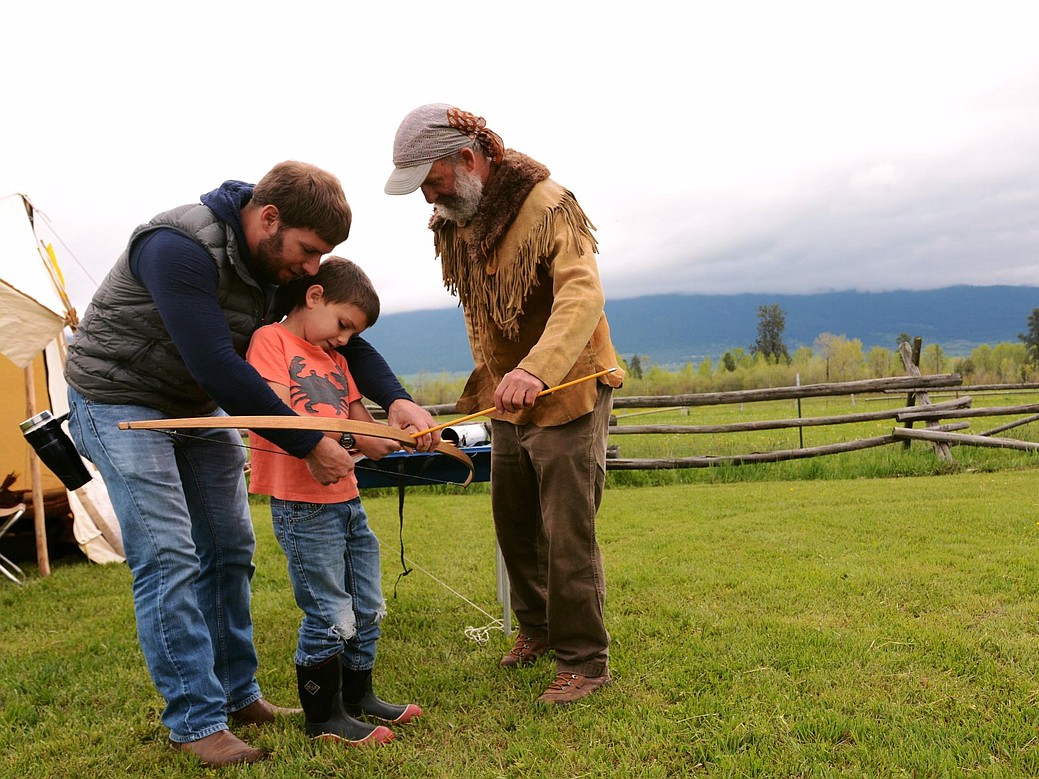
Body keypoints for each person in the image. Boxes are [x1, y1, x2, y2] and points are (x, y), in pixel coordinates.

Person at [64, 161, 440, 766]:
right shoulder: (177, 248)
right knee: (169, 554)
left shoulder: (277, 263)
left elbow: (344, 340)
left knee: (231, 546)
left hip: (193, 405)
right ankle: (196, 720)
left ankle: (240, 696)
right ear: (269, 219)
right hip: (116, 400)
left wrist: (394, 398)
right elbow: (218, 362)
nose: (313, 269)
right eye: (309, 252)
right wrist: (305, 442)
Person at [383, 104, 625, 705]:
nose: (428, 198)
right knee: (514, 521)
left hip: (567, 388)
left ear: (467, 159)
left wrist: (537, 368)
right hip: (507, 396)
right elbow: (485, 315)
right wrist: (497, 379)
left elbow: (581, 294)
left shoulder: (548, 205)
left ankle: (585, 661)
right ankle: (538, 630)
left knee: (566, 529)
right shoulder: (456, 216)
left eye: (431, 181)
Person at [246, 257, 421, 746]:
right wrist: (323, 440)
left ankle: (357, 696)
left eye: (353, 332)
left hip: (347, 498)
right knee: (329, 613)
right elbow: (271, 413)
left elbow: (365, 433)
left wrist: (402, 435)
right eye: (343, 324)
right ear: (315, 296)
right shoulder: (270, 341)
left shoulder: (341, 362)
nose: (345, 339)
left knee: (367, 605)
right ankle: (323, 719)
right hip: (302, 504)